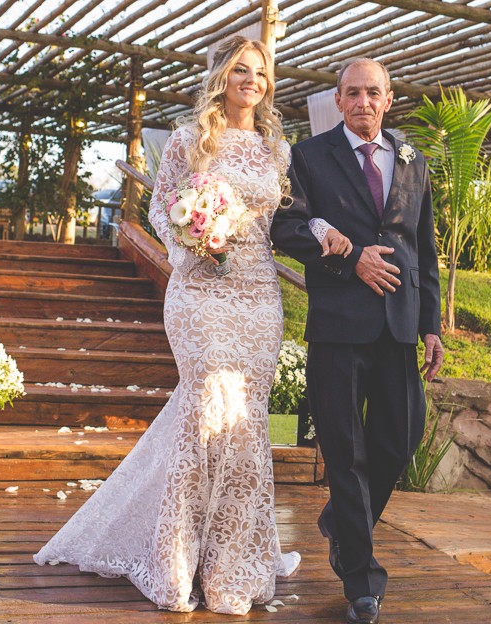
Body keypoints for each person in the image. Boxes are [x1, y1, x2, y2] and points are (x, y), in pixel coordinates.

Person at [34, 34, 300, 614]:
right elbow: (161, 206)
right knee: (205, 404)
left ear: (267, 83)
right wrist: (192, 243)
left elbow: (284, 223)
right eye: (239, 71)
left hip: (257, 295)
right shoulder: (188, 138)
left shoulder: (277, 150)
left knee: (246, 421)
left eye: (259, 72)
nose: (250, 81)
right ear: (221, 77)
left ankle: (230, 567)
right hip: (200, 290)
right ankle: (177, 560)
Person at [270, 57, 445, 624]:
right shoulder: (309, 157)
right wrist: (349, 260)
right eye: (353, 93)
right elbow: (288, 229)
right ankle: (362, 583)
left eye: (374, 93)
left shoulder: (414, 161)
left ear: (389, 99)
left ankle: (342, 524)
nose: (363, 102)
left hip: (398, 325)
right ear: (338, 100)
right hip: (339, 327)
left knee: (402, 434)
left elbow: (424, 250)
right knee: (345, 454)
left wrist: (431, 325)